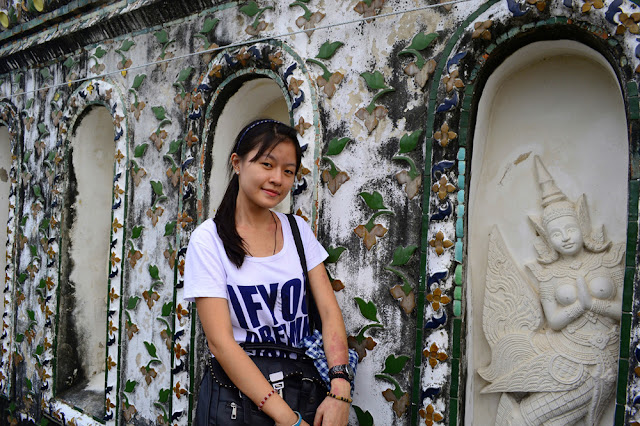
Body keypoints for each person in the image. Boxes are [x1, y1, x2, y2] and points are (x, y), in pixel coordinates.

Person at [184, 119, 352, 426]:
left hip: (305, 392)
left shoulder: (297, 231)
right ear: (237, 163)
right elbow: (220, 342)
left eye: (288, 171)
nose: (277, 179)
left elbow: (329, 312)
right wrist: (287, 419)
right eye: (267, 164)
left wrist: (340, 388)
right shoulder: (208, 241)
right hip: (238, 402)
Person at [479, 156, 624, 425]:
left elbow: (626, 311)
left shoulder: (608, 261)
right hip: (570, 353)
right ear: (546, 238)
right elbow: (554, 321)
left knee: (580, 401)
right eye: (557, 234)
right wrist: (579, 305)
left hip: (606, 353)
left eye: (570, 229)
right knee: (553, 408)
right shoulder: (548, 274)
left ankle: (516, 418)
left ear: (582, 226)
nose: (566, 237)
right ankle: (515, 418)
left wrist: (594, 304)